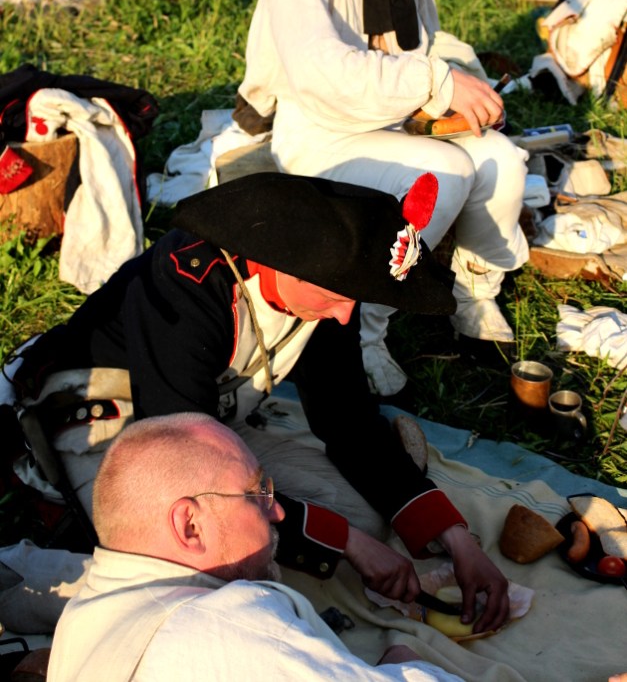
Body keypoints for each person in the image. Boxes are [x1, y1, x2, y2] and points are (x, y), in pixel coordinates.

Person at [6, 171, 509, 633]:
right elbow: (181, 465)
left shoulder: (331, 286)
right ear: (280, 260)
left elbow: (346, 418)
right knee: (203, 569)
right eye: (335, 298)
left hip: (208, 423)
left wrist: (454, 537)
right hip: (114, 422)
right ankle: (25, 580)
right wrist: (346, 542)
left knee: (365, 517)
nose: (343, 315)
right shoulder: (185, 285)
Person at [235, 0, 529, 394]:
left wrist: (453, 102)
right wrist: (437, 84)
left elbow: (419, 49)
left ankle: (475, 289)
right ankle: (363, 328)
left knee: (503, 159)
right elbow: (321, 75)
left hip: (387, 125)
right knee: (445, 173)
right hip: (315, 136)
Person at [47, 412, 466, 682]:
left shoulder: (79, 619)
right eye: (257, 493)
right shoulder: (235, 626)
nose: (277, 511)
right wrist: (405, 664)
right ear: (190, 525)